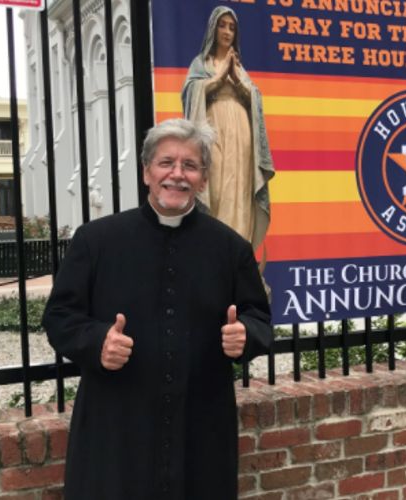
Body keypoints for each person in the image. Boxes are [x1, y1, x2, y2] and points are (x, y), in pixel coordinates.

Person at [42, 118, 273, 499]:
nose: (177, 174)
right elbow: (59, 317)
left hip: (201, 427)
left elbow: (259, 317)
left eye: (190, 165)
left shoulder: (231, 248)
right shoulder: (96, 241)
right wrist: (97, 341)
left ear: (204, 179)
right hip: (116, 426)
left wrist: (245, 334)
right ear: (147, 172)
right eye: (166, 163)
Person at [182, 5, 275, 251]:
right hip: (213, 128)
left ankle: (240, 247)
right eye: (222, 25)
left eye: (232, 27)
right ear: (213, 29)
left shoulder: (240, 68)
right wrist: (219, 78)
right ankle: (215, 247)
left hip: (241, 131)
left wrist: (236, 80)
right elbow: (190, 93)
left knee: (241, 187)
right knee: (217, 186)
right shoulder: (202, 63)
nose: (227, 31)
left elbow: (254, 99)